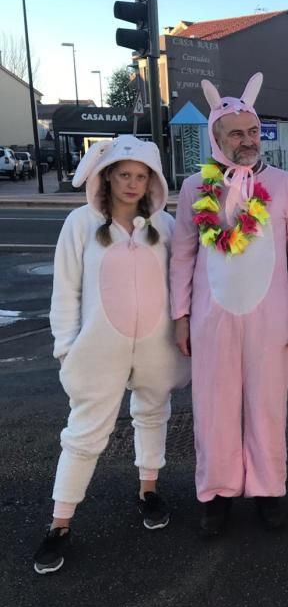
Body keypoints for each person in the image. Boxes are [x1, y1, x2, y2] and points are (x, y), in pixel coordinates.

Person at [33, 135, 189, 574]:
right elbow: (65, 290)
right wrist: (66, 348)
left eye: (141, 176)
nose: (133, 184)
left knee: (154, 413)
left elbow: (181, 283)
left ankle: (148, 490)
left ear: (152, 179)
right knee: (84, 433)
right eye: (124, 174)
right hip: (99, 348)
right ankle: (60, 522)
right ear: (108, 176)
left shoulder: (166, 226)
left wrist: (183, 327)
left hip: (155, 346)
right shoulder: (80, 224)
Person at [170, 73, 288, 535]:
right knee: (213, 407)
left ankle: (269, 490)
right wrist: (180, 315)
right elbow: (182, 255)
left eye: (253, 131)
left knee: (267, 405)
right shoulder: (196, 186)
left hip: (270, 318)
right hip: (212, 318)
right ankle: (216, 495)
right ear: (216, 136)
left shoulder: (284, 184)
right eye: (236, 133)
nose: (248, 140)